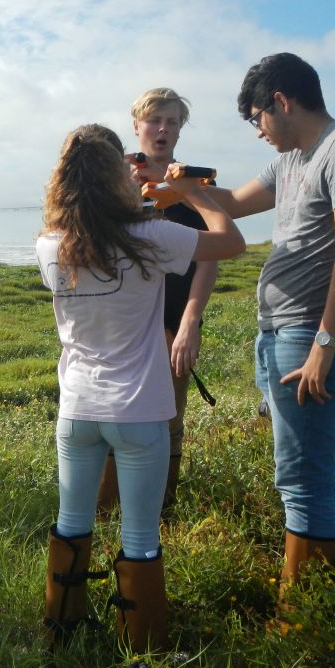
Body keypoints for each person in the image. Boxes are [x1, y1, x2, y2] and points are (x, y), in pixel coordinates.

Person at [38, 124, 245, 653]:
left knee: (71, 523)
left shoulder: (51, 245)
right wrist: (190, 192)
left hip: (78, 409)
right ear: (117, 176)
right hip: (140, 410)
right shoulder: (152, 236)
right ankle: (145, 651)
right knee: (140, 538)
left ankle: (61, 632)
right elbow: (232, 242)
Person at [201, 54, 335, 591]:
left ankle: (305, 611)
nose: (258, 131)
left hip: (311, 331)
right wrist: (180, 188)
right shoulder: (291, 159)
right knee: (317, 462)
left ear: (282, 102)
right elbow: (230, 202)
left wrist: (325, 344)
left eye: (258, 118)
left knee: (299, 475)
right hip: (281, 331)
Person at [96, 87, 219, 517]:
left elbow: (211, 256)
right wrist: (127, 192)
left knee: (169, 419)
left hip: (174, 315)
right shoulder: (115, 174)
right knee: (117, 414)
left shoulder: (195, 182)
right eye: (154, 120)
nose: (163, 129)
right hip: (124, 319)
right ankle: (107, 512)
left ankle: (160, 512)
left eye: (172, 121)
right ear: (136, 126)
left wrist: (190, 322)